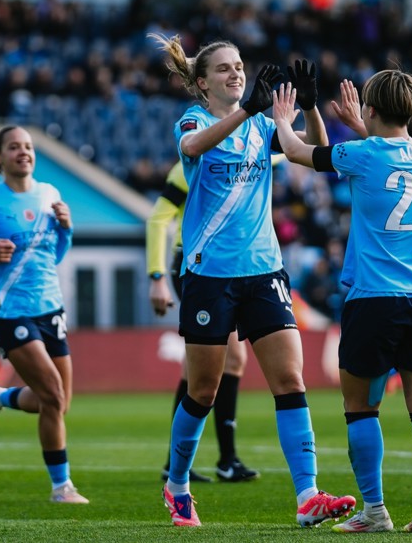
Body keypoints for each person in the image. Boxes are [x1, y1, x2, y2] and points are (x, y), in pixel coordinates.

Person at [149, 34, 356, 528]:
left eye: (239, 65)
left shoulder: (263, 124)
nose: (236, 73)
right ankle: (177, 484)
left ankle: (307, 495)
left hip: (264, 271)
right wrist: (247, 111)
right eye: (223, 68)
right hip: (209, 275)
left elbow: (314, 153)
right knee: (203, 390)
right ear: (203, 83)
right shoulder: (195, 121)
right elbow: (193, 147)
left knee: (289, 379)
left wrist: (310, 108)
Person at [272, 73, 412, 533]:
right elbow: (389, 153)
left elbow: (296, 151)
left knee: (361, 409)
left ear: (370, 110)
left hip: (376, 299)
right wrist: (361, 125)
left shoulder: (361, 154)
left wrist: (282, 118)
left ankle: (375, 512)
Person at [0, 126, 88, 504]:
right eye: (14, 147)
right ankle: (62, 487)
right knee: (52, 395)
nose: (23, 152)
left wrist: (67, 228)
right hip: (10, 311)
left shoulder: (50, 194)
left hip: (51, 307)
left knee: (57, 402)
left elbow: (55, 255)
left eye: (27, 146)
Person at [146, 158, 260, 483]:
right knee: (232, 358)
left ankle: (185, 461)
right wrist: (156, 276)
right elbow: (158, 219)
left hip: (223, 264)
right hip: (194, 263)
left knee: (200, 367)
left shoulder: (242, 156)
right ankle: (226, 460)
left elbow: (281, 151)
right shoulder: (188, 165)